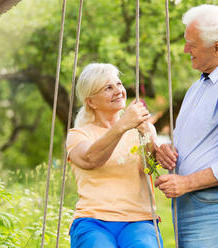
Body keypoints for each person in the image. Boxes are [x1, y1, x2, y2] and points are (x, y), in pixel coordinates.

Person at [66, 63, 163, 248]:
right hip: (93, 221)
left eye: (119, 84)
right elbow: (90, 159)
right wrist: (123, 125)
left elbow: (149, 167)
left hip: (139, 220)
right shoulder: (78, 135)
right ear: (91, 102)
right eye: (108, 88)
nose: (118, 91)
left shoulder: (143, 128)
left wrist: (148, 137)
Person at [154, 4, 218, 248]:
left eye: (192, 44)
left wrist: (186, 182)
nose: (184, 49)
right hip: (190, 204)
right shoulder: (198, 87)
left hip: (211, 206)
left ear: (216, 46)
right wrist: (167, 150)